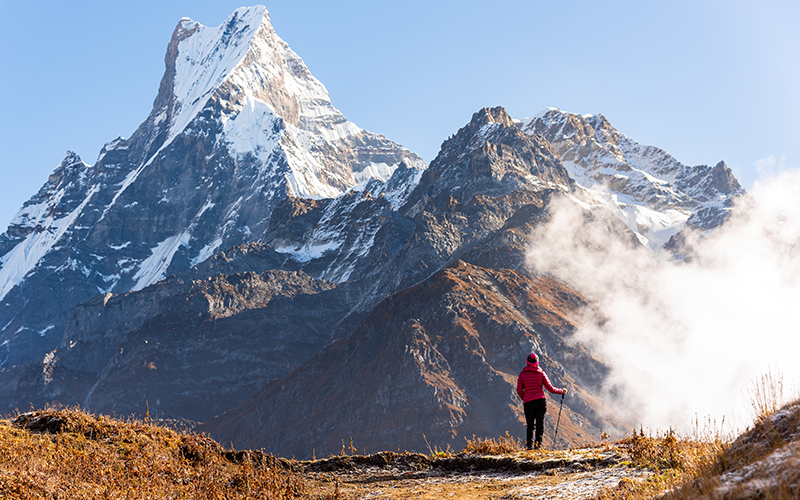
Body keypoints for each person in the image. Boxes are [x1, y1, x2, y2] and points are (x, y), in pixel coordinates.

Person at [516, 352, 566, 450]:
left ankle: (529, 447)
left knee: (530, 425)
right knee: (540, 424)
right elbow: (550, 389)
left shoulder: (522, 374)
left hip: (528, 403)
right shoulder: (541, 373)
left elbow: (519, 390)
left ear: (527, 362)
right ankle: (538, 446)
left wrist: (525, 398)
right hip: (540, 402)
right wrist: (561, 391)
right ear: (537, 362)